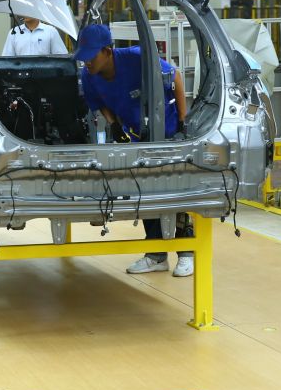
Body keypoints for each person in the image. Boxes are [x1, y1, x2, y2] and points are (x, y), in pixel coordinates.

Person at [71, 24, 193, 277]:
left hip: (166, 133)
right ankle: (156, 255)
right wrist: (114, 124)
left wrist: (183, 120)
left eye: (91, 56)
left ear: (107, 51)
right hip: (137, 138)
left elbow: (176, 77)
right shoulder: (89, 75)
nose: (87, 63)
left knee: (173, 192)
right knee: (144, 193)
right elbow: (99, 103)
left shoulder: (138, 58)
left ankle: (187, 252)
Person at [1, 15, 69, 56]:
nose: (25, 13)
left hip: (45, 75)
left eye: (28, 9)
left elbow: (61, 57)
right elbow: (7, 58)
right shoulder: (14, 32)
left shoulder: (50, 31)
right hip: (21, 76)